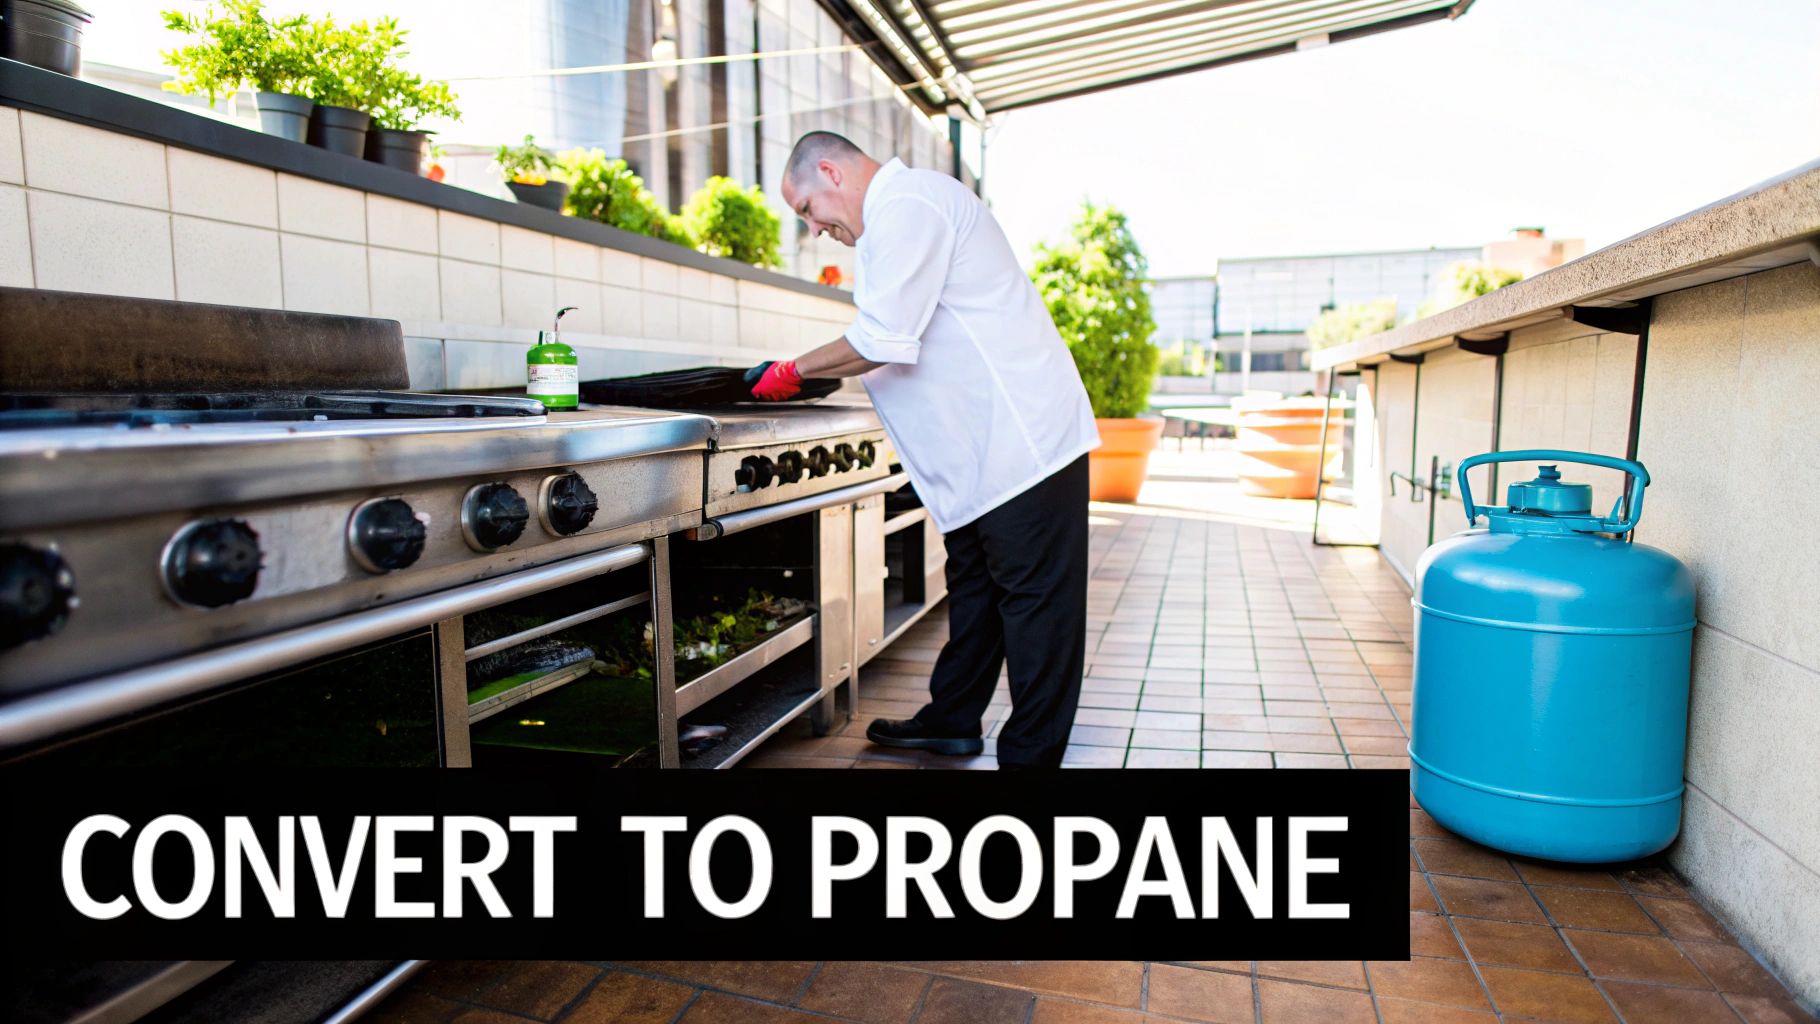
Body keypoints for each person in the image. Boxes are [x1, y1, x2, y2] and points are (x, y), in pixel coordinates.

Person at [747, 131, 1098, 769]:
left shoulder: (910, 204)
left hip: (1025, 447)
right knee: (976, 592)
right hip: (981, 460)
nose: (814, 227)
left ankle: (1030, 760)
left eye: (806, 208)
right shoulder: (890, 223)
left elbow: (883, 337)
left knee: (1035, 607)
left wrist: (792, 370)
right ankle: (953, 719)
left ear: (830, 171)